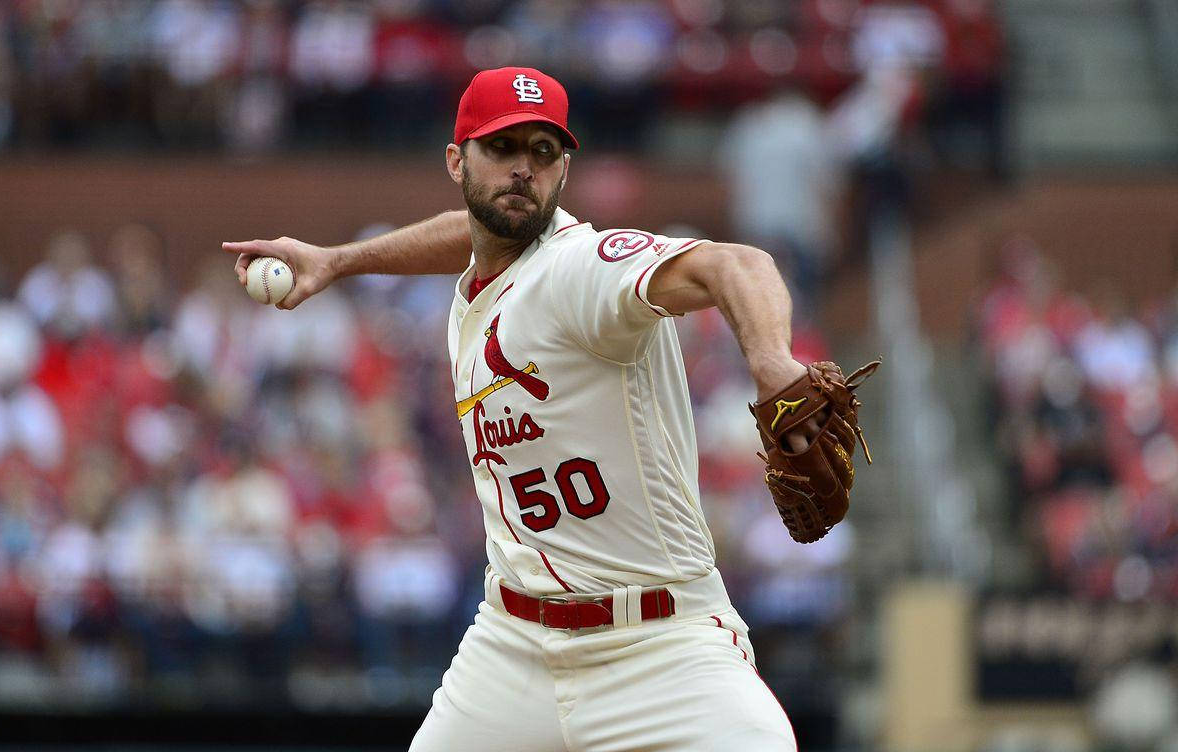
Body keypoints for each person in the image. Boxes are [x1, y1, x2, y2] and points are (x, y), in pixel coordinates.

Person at [225, 67, 831, 751]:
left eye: (543, 153)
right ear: (457, 161)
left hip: (660, 649)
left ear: (564, 170)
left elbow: (737, 265)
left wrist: (773, 363)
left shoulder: (582, 271)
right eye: (502, 148)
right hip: (513, 647)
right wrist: (336, 261)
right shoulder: (488, 270)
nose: (523, 169)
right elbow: (476, 230)